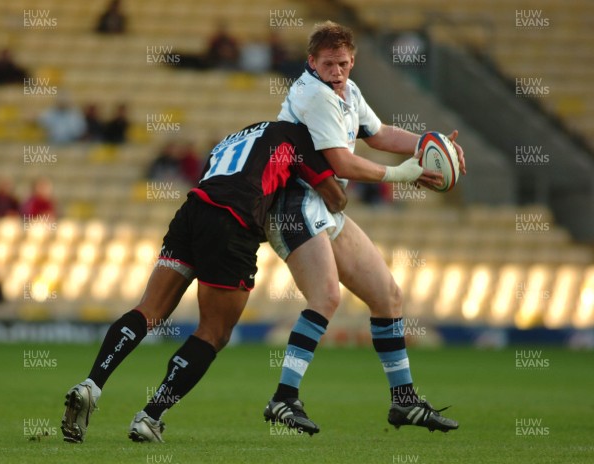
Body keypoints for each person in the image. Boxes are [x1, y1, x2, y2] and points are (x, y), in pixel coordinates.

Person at [60, 121, 347, 444]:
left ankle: (92, 384)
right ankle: (150, 417)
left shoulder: (235, 136)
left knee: (149, 309)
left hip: (192, 211)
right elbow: (335, 198)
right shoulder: (297, 135)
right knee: (213, 333)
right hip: (233, 223)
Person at [263, 21, 466, 435]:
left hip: (326, 203)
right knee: (326, 297)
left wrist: (431, 142)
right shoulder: (314, 95)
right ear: (311, 63)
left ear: (352, 61)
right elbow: (342, 162)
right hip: (294, 202)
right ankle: (283, 399)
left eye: (342, 63)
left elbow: (379, 134)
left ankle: (404, 402)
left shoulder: (348, 92)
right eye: (328, 64)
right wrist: (403, 175)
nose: (336, 71)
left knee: (388, 296)